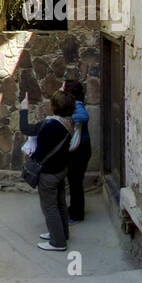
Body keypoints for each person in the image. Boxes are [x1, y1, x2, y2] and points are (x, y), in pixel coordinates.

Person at [25, 91, 76, 252]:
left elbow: (25, 128)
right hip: (60, 169)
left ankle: (58, 242)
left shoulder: (50, 125)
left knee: (50, 207)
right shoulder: (68, 122)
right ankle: (62, 234)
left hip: (49, 173)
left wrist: (23, 110)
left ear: (54, 107)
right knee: (60, 203)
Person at [59, 77, 90, 223]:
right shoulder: (75, 103)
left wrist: (68, 119)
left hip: (80, 150)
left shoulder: (76, 104)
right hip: (80, 149)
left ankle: (77, 215)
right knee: (74, 181)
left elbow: (84, 117)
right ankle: (75, 209)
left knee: (75, 182)